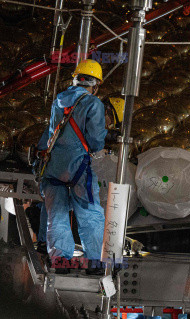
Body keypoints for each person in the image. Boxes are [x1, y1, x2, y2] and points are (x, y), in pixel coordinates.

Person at [39, 59, 107, 274]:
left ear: (76, 79)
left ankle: (60, 262)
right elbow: (96, 140)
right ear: (95, 84)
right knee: (90, 214)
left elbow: (52, 132)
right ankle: (94, 263)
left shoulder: (59, 100)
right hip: (79, 166)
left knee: (57, 215)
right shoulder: (93, 103)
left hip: (53, 166)